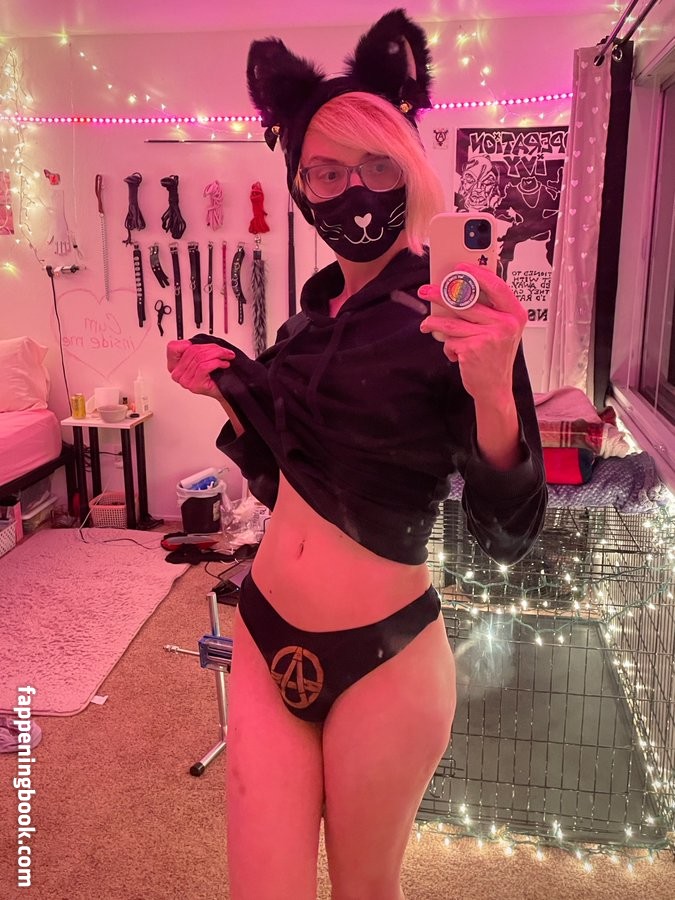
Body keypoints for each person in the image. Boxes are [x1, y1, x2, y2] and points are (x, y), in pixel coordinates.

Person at [167, 10, 547, 899]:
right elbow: (288, 478)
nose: (353, 191)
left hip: (385, 655)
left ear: (410, 168)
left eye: (376, 165)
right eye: (325, 172)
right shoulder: (303, 325)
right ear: (299, 185)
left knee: (363, 891)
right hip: (264, 627)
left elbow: (506, 535)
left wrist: (494, 391)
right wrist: (227, 387)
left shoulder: (454, 317)